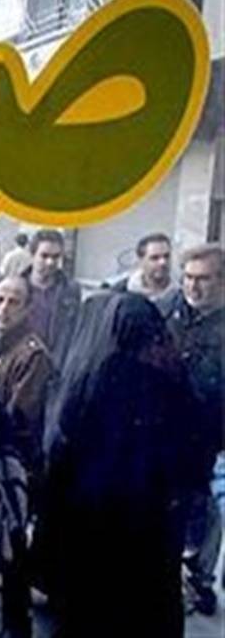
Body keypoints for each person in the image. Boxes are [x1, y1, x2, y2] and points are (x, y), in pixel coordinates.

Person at [40, 293, 198, 637]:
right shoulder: (171, 378)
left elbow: (64, 451)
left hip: (95, 527)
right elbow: (191, 454)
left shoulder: (91, 380)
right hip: (151, 529)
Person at [0, 274, 53, 638]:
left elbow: (19, 417)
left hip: (15, 466)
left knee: (12, 548)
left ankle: (16, 623)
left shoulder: (32, 355)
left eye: (13, 302)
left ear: (26, 309)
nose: (4, 309)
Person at [160, 243, 224, 616]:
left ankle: (199, 581)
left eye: (203, 279)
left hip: (210, 438)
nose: (193, 286)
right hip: (165, 432)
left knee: (205, 510)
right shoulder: (170, 311)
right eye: (187, 278)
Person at [22, 229, 82, 367]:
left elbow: (75, 332)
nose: (50, 262)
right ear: (32, 255)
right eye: (44, 256)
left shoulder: (71, 291)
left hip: (57, 365)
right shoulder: (17, 287)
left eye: (56, 257)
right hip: (22, 364)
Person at [111, 232, 176, 301]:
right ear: (140, 261)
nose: (163, 262)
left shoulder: (181, 290)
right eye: (155, 258)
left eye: (166, 256)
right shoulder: (120, 294)